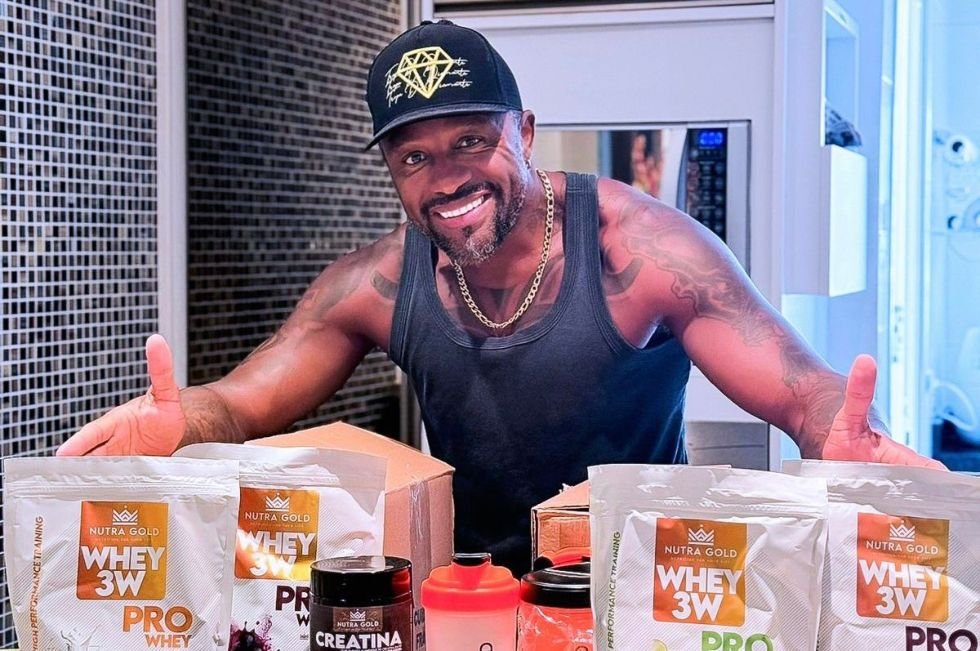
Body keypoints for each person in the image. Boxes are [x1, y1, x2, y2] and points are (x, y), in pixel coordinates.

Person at [58, 20, 942, 575]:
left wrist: (839, 435)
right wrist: (184, 421)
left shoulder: (641, 250)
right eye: (415, 156)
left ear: (524, 132)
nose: (446, 178)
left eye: (471, 141)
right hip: (468, 592)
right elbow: (245, 400)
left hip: (639, 588)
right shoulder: (377, 283)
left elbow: (799, 388)